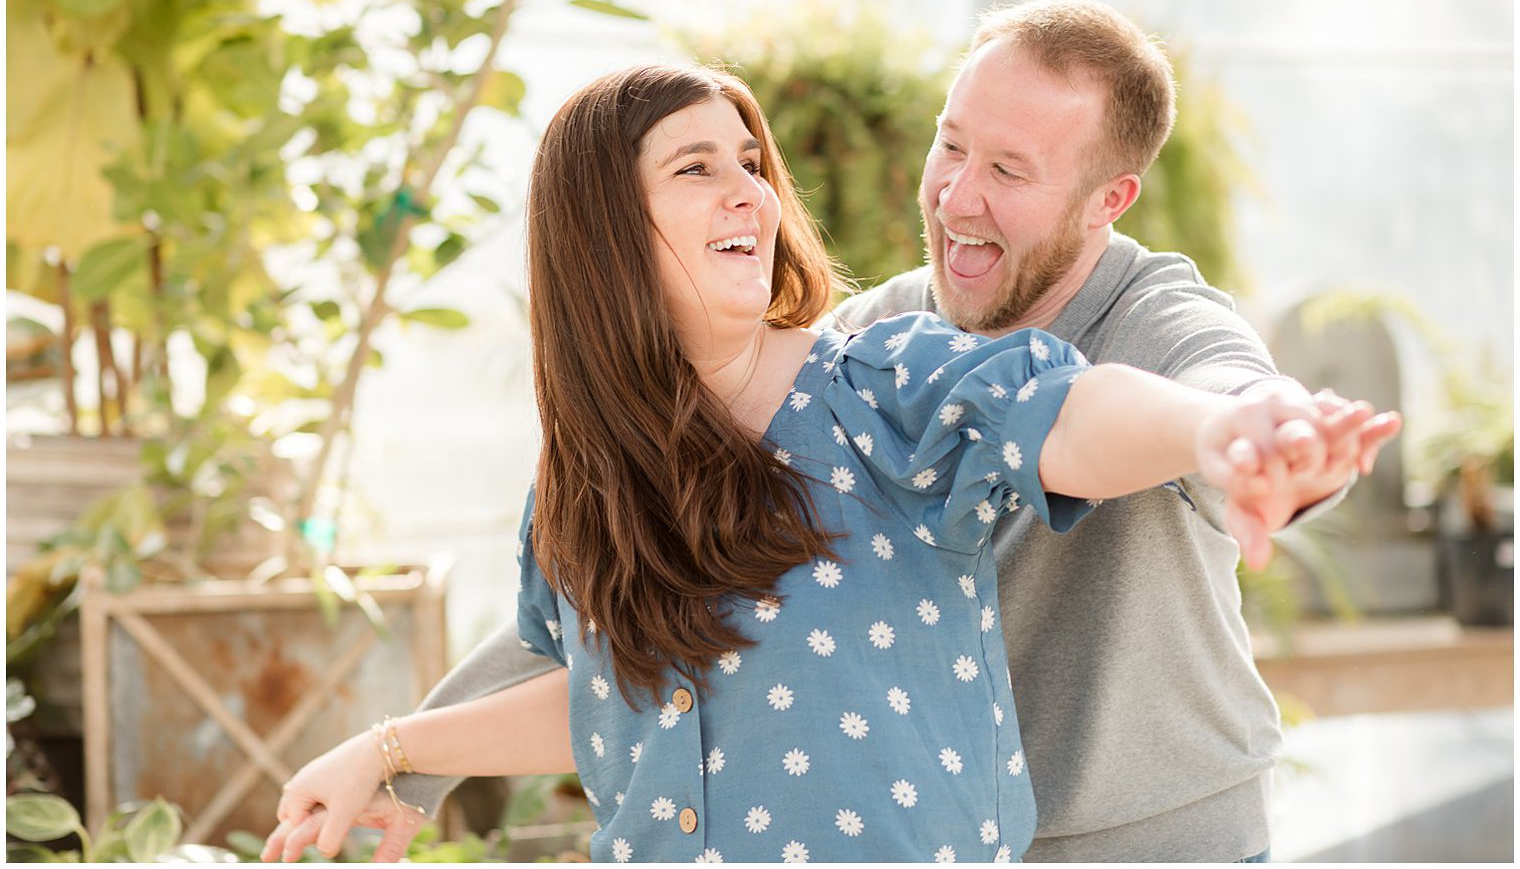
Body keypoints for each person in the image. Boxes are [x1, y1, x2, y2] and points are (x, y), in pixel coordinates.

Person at [260, 63, 1394, 864]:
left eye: (748, 162)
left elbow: (1063, 412)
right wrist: (396, 752)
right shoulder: (587, 480)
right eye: (697, 168)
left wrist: (1220, 433)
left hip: (1155, 834)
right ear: (601, 230)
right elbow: (610, 692)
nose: (750, 188)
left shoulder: (884, 381)